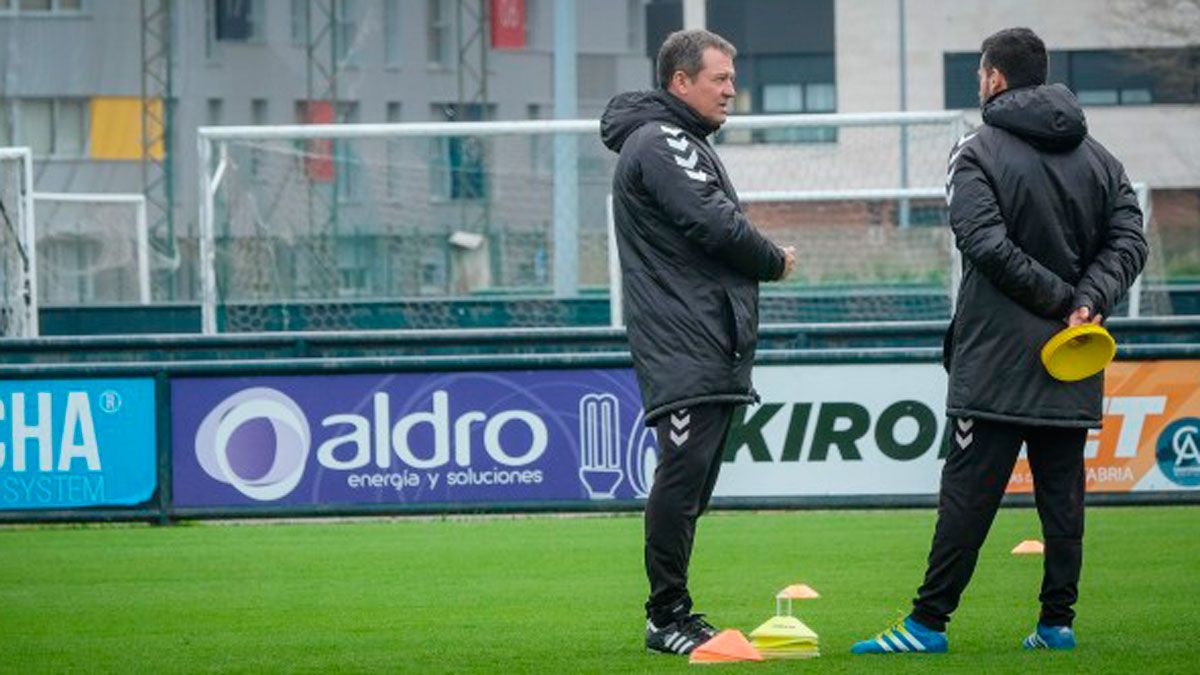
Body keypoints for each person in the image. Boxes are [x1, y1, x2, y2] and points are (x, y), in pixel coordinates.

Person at [851, 27, 1148, 655]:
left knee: (967, 496)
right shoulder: (1101, 158)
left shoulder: (976, 150)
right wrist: (1086, 302)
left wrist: (1063, 299)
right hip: (1073, 355)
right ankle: (1056, 625)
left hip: (996, 360)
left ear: (993, 78)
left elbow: (982, 241)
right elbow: (1130, 241)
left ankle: (927, 625)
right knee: (1062, 497)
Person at [600, 29, 796, 656]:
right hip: (683, 340)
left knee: (692, 487)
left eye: (732, 79)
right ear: (680, 82)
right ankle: (666, 618)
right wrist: (774, 259)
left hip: (708, 340)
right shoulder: (660, 140)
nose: (731, 89)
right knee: (681, 482)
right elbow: (713, 220)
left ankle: (677, 612)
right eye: (719, 78)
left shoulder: (680, 140)